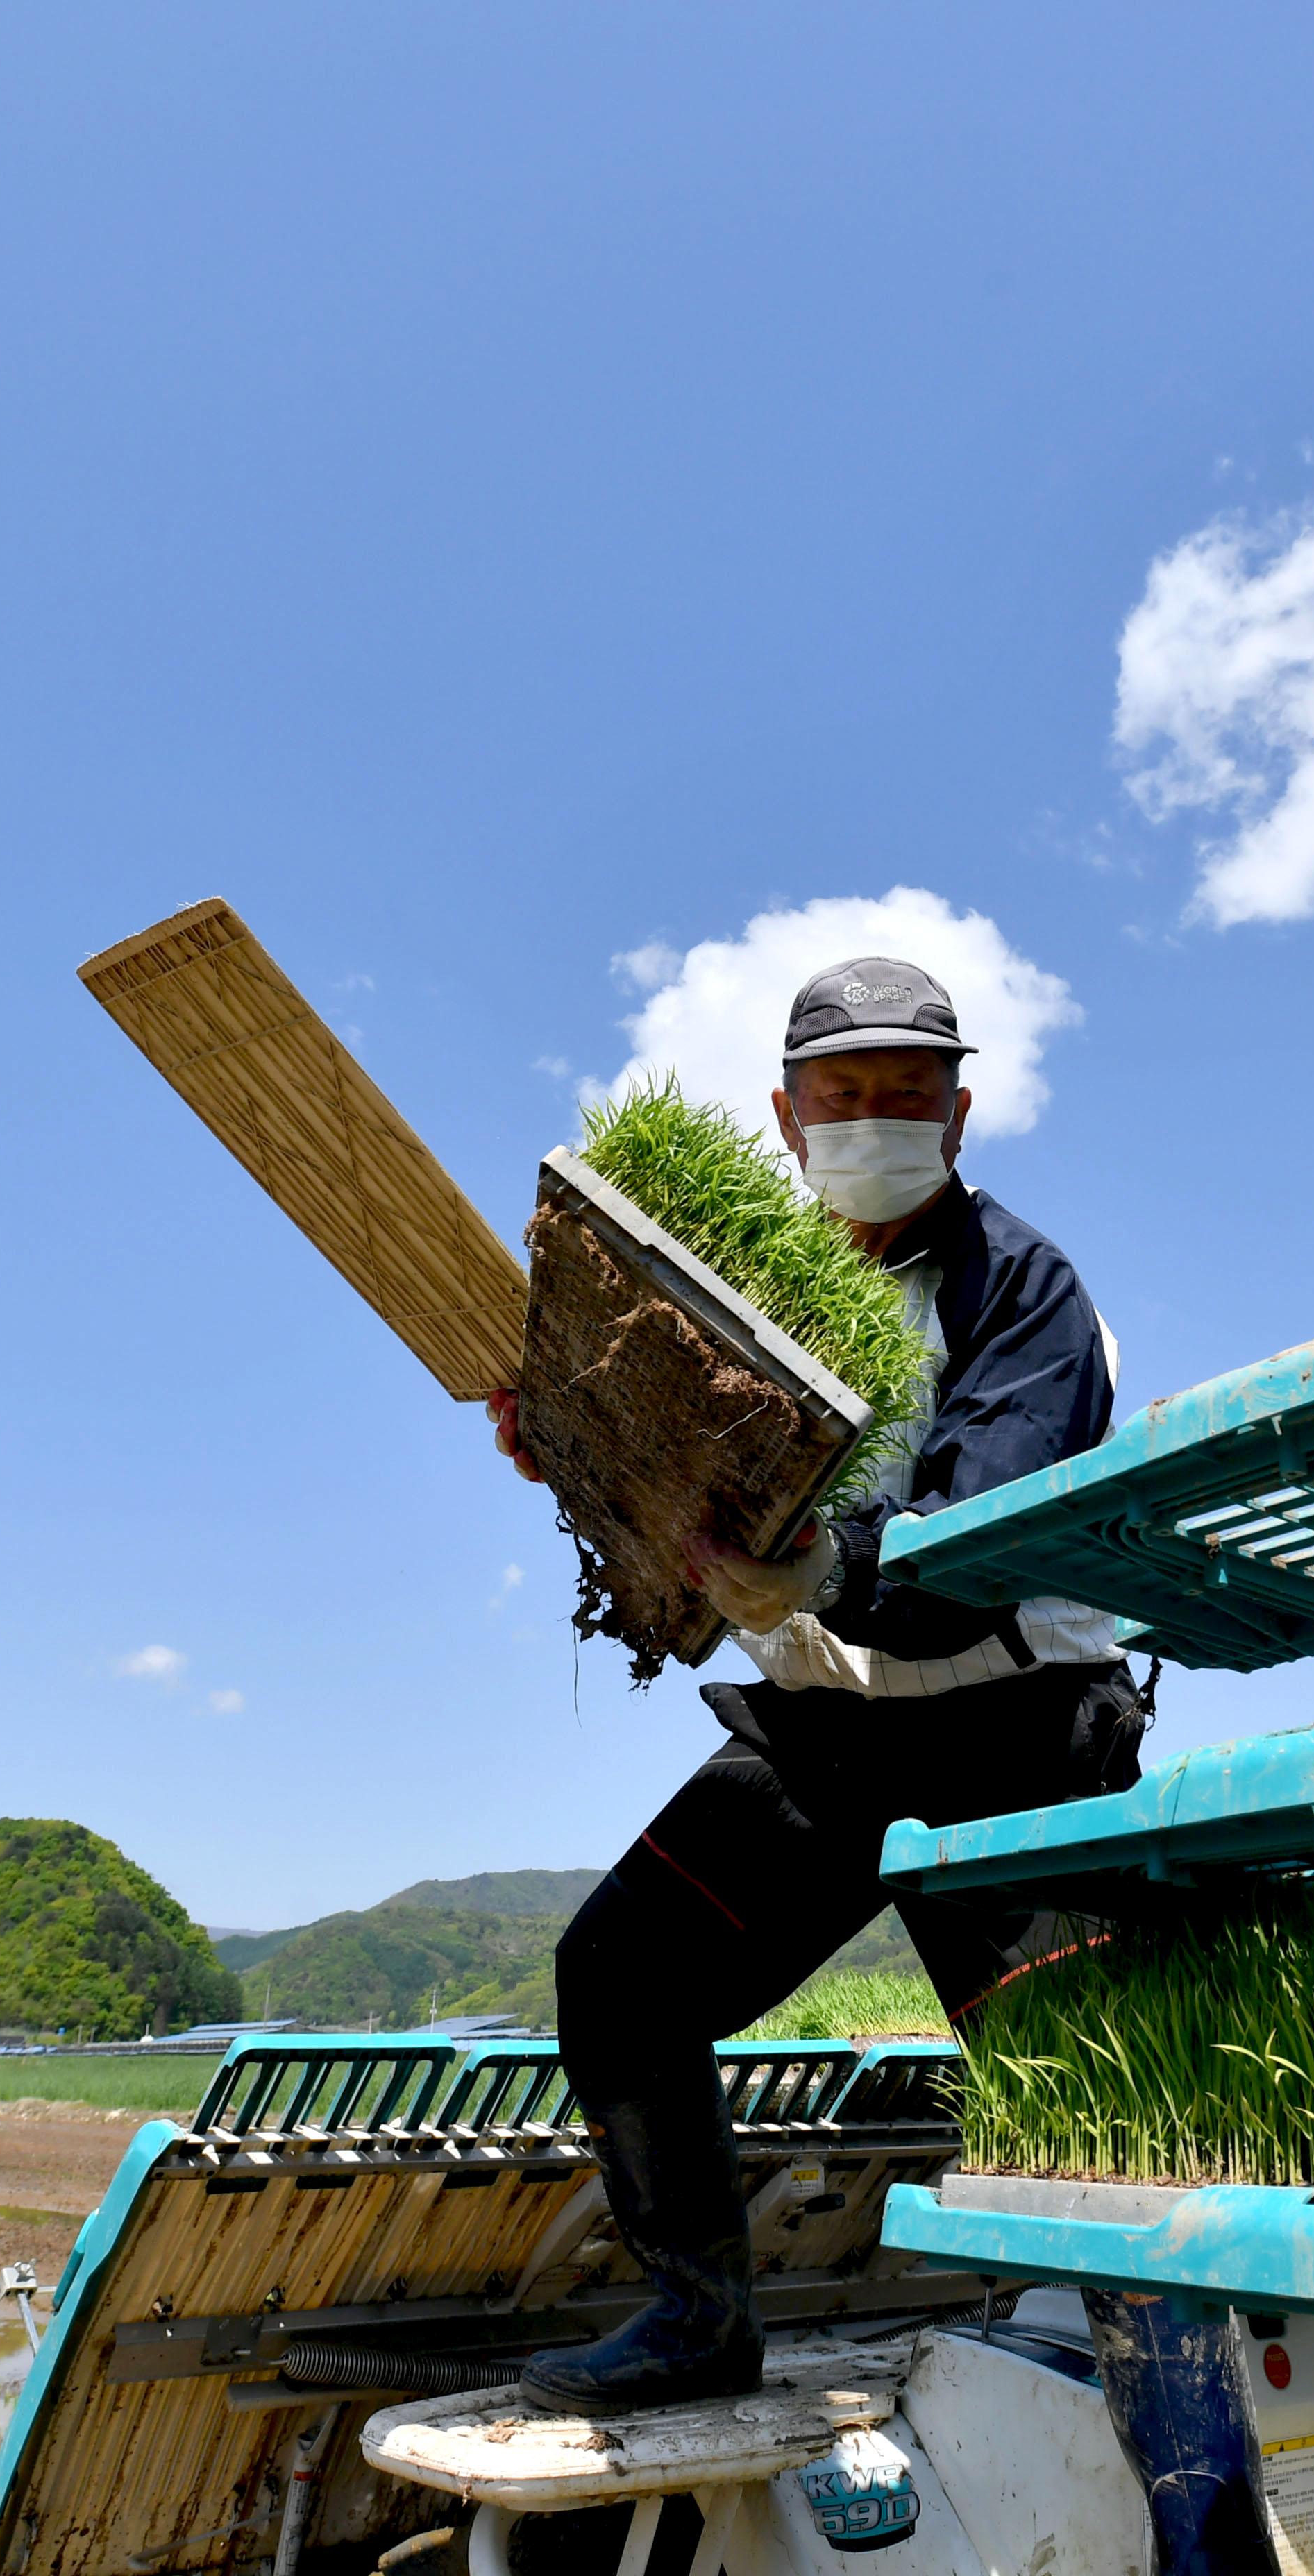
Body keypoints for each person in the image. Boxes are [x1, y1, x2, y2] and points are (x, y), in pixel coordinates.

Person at [482, 956, 1149, 2416]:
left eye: (906, 1093)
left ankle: (1184, 2431)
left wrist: (825, 1562)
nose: (873, 1119)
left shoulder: (1022, 1287)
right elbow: (687, 1504)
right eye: (840, 1096)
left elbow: (981, 1536)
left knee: (1095, 2103)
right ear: (787, 1120)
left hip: (1015, 1732)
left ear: (959, 1112)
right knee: (620, 1972)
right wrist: (579, 1446)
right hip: (828, 1736)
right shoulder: (744, 1295)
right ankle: (697, 2317)